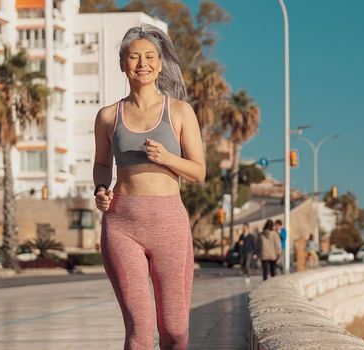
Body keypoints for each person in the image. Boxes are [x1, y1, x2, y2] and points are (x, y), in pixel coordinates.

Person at [92, 25, 205, 350]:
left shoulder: (180, 112)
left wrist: (168, 157)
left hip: (169, 221)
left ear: (159, 63)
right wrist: (101, 189)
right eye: (135, 57)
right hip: (122, 223)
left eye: (150, 57)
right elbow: (102, 165)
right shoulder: (108, 116)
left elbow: (198, 172)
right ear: (122, 64)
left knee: (174, 328)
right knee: (139, 331)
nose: (143, 63)